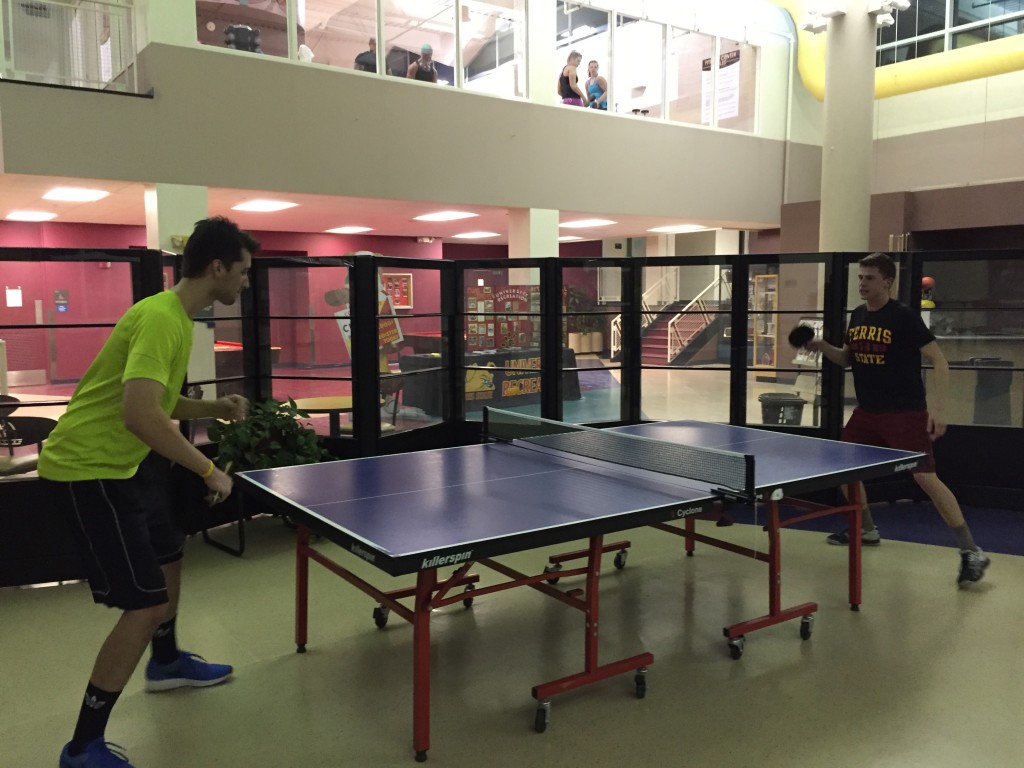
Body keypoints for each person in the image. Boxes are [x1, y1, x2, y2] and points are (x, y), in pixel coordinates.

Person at [39, 216, 259, 768]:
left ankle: (165, 664)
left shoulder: (175, 317)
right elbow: (140, 415)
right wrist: (209, 470)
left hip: (126, 465)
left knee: (168, 552)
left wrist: (212, 407)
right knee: (143, 605)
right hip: (89, 470)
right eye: (244, 271)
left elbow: (152, 401)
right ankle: (83, 745)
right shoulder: (163, 320)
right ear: (218, 268)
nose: (246, 282)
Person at [803, 252, 990, 587]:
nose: (862, 283)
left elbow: (939, 360)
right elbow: (847, 359)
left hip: (905, 413)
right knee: (844, 469)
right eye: (860, 277)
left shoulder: (902, 317)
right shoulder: (858, 315)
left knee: (926, 480)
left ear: (887, 281)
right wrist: (822, 346)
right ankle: (868, 530)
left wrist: (939, 409)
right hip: (868, 412)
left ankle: (971, 551)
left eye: (869, 278)